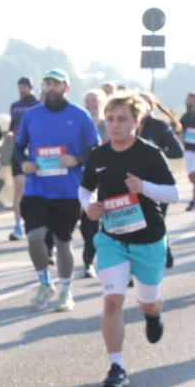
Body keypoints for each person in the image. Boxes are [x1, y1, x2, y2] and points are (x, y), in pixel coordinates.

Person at [80, 92, 180, 387]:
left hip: (148, 239)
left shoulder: (149, 154)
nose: (115, 125)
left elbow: (174, 194)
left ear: (137, 122)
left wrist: (144, 187)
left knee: (147, 302)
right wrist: (89, 206)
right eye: (110, 119)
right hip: (111, 238)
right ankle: (116, 366)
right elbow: (85, 190)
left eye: (122, 119)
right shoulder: (98, 155)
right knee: (112, 301)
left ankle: (153, 314)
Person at [14, 69, 100, 312]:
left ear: (66, 88)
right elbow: (19, 147)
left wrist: (76, 160)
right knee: (34, 238)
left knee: (63, 243)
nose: (51, 88)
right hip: (37, 188)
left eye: (56, 84)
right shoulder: (32, 116)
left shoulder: (80, 116)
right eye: (48, 84)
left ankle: (65, 291)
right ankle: (44, 283)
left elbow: (94, 149)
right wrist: (23, 163)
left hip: (68, 190)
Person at [137, 93, 184, 269]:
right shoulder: (128, 126)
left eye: (144, 103)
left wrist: (156, 152)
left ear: (152, 107)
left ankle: (164, 250)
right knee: (135, 224)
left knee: (155, 221)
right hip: (133, 183)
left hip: (158, 183)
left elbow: (178, 151)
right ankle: (139, 264)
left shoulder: (159, 126)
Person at [79, 89, 109, 278]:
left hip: (109, 179)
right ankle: (88, 261)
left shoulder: (110, 124)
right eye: (88, 100)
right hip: (87, 179)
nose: (92, 104)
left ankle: (110, 260)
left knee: (110, 224)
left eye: (95, 100)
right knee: (88, 224)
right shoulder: (80, 126)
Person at [7, 77, 40, 241]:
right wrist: (10, 134)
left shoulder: (37, 104)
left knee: (31, 186)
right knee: (19, 186)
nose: (22, 90)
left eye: (24, 87)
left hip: (34, 150)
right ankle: (17, 225)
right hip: (18, 150)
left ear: (30, 88)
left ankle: (35, 222)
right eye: (20, 87)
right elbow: (12, 126)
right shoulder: (14, 106)